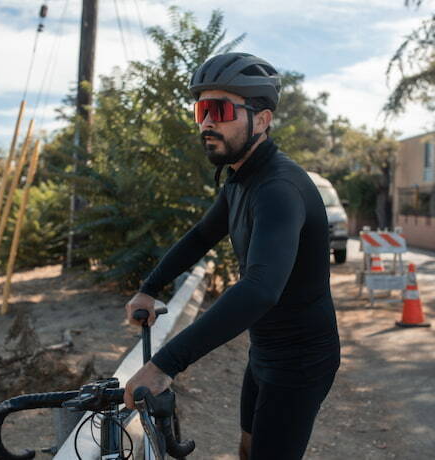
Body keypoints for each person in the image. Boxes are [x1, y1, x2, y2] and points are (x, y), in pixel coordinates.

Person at [123, 52, 340, 460]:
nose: (207, 122)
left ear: (261, 119)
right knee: (248, 448)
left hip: (301, 360)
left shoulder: (278, 188)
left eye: (219, 110)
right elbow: (200, 235)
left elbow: (260, 290)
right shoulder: (242, 179)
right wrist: (149, 288)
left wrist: (163, 365)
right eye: (201, 110)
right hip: (265, 349)